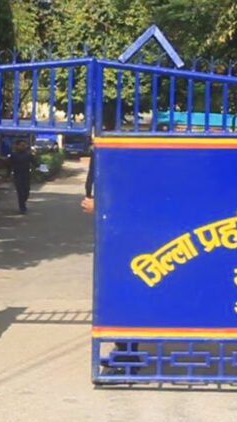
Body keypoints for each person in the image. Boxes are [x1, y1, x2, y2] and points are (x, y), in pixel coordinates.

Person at [80, 149, 139, 374]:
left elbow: (134, 200)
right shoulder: (104, 153)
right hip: (113, 236)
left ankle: (128, 357)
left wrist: (101, 206)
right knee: (118, 293)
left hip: (127, 239)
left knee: (126, 293)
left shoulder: (124, 156)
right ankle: (124, 350)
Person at [8, 139, 37, 214]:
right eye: (21, 145)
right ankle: (22, 207)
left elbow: (35, 163)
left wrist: (41, 167)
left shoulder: (28, 154)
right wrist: (8, 175)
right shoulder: (13, 155)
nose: (23, 147)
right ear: (17, 146)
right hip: (17, 175)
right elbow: (9, 165)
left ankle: (23, 202)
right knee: (20, 191)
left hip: (26, 175)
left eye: (24, 145)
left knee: (26, 191)